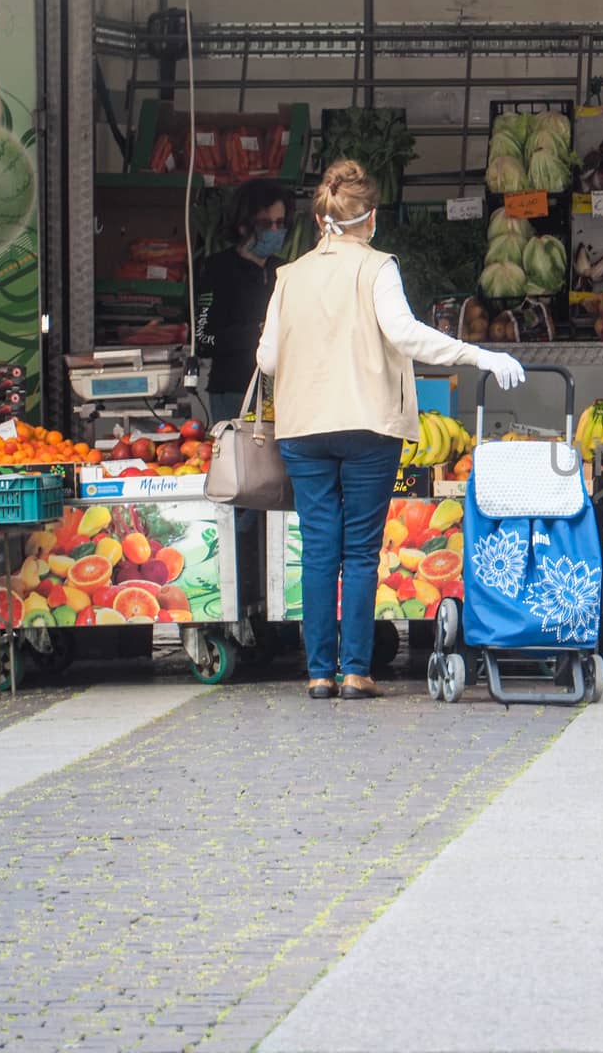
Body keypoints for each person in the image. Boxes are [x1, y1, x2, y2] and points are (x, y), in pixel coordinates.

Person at [256, 160, 525, 700]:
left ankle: (317, 674)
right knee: (358, 552)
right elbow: (408, 336)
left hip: (303, 429)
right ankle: (356, 672)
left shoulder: (289, 277)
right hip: (368, 427)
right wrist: (479, 355)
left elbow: (266, 358)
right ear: (370, 218)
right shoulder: (378, 268)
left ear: (321, 218)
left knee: (317, 550)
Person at [197, 181, 295, 423]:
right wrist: (261, 331)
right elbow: (204, 338)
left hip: (282, 392)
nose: (274, 230)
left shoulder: (285, 271)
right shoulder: (217, 268)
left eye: (280, 223)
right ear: (242, 226)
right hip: (233, 391)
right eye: (265, 224)